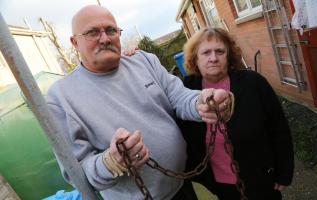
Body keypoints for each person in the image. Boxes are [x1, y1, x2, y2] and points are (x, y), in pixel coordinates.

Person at [46, 5, 234, 200]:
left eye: (111, 30)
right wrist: (111, 162)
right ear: (75, 42)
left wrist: (201, 101)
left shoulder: (144, 60)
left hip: (181, 186)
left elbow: (179, 96)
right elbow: (76, 172)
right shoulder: (60, 99)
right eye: (93, 32)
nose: (105, 38)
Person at [177, 27, 294, 200]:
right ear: (195, 58)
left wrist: (284, 171)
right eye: (206, 52)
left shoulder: (253, 83)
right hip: (219, 184)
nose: (213, 58)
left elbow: (279, 128)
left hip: (261, 178)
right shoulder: (185, 90)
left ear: (229, 55)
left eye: (220, 51)